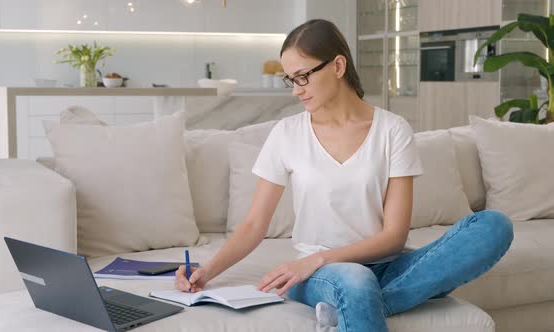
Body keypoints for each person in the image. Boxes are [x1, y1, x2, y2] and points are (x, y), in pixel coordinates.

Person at [174, 19, 513, 332]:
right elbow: (253, 225)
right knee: (354, 281)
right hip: (322, 276)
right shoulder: (287, 133)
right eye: (290, 80)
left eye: (303, 76)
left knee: (493, 226)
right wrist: (207, 270)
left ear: (337, 65)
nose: (296, 89)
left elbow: (394, 236)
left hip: (384, 264)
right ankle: (358, 302)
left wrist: (316, 259)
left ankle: (350, 311)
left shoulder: (392, 130)